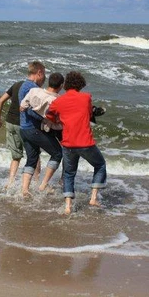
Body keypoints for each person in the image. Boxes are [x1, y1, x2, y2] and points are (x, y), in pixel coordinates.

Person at [46, 71, 107, 214]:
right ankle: (93, 198)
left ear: (66, 85)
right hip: (85, 142)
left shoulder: (59, 101)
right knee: (100, 165)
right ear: (81, 84)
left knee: (68, 173)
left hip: (68, 143)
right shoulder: (86, 98)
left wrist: (58, 120)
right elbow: (89, 113)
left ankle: (68, 206)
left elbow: (49, 114)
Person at [19, 62, 63, 197]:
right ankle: (43, 185)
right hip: (32, 128)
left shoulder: (26, 86)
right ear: (39, 73)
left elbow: (24, 106)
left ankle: (25, 190)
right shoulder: (32, 88)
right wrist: (46, 120)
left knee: (32, 158)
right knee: (57, 153)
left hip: (24, 128)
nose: (44, 77)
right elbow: (30, 111)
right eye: (44, 73)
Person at [0, 81, 40, 188]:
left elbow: (0, 101)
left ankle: (10, 182)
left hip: (10, 123)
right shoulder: (34, 88)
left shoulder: (16, 85)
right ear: (39, 73)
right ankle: (37, 182)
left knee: (16, 156)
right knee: (34, 155)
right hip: (24, 125)